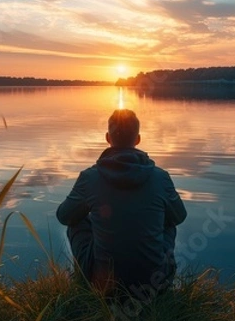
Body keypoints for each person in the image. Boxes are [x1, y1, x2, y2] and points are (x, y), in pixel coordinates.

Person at [56, 109, 187, 297]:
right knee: (169, 219)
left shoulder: (89, 178)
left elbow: (64, 216)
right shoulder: (161, 178)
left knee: (75, 220)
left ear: (107, 138)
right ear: (138, 139)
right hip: (155, 284)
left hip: (104, 286)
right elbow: (180, 216)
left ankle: (88, 280)